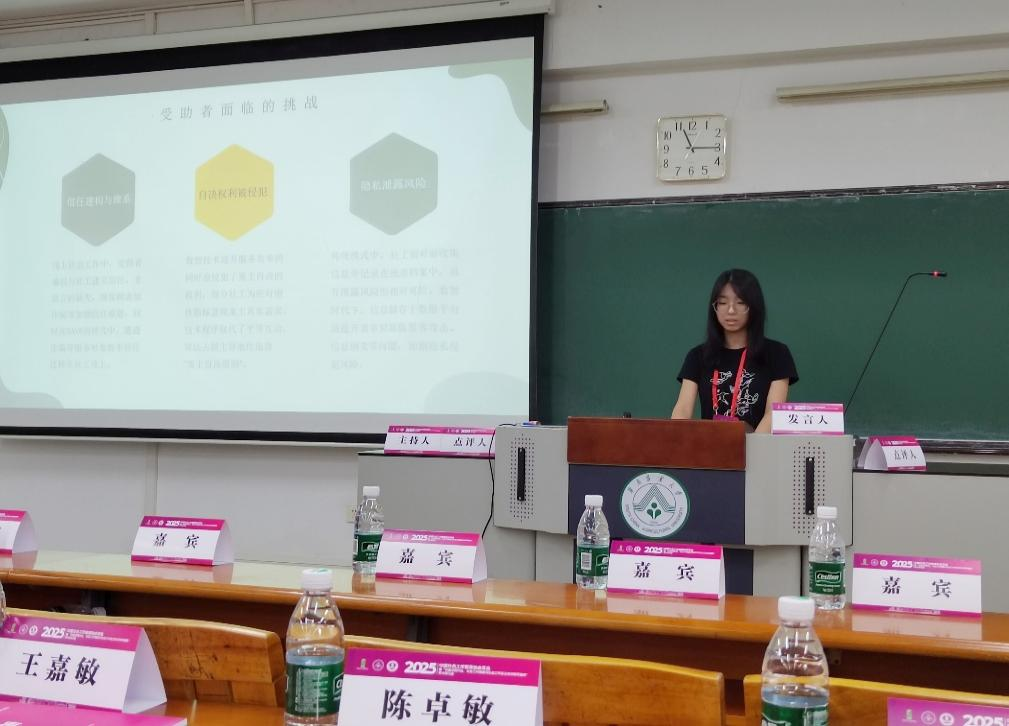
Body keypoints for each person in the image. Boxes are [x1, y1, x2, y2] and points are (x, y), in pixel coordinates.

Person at [671, 269, 797, 433]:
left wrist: (750, 446)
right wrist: (677, 437)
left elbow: (772, 414)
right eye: (723, 303)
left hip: (758, 446)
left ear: (754, 306)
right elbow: (682, 409)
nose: (731, 310)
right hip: (708, 446)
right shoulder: (697, 356)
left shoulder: (777, 353)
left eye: (740, 303)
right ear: (714, 307)